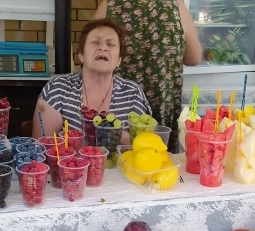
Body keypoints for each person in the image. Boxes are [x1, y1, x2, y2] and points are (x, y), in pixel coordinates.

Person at [94, 0, 202, 152]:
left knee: (113, 163)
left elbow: (90, 51)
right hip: (162, 106)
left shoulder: (110, 4)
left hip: (118, 108)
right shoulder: (174, 5)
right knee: (158, 162)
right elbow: (194, 57)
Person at [32, 18, 151, 144]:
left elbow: (145, 148)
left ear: (119, 60)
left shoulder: (132, 93)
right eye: (95, 42)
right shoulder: (58, 88)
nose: (103, 48)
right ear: (81, 54)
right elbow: (41, 149)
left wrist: (122, 137)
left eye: (110, 44)